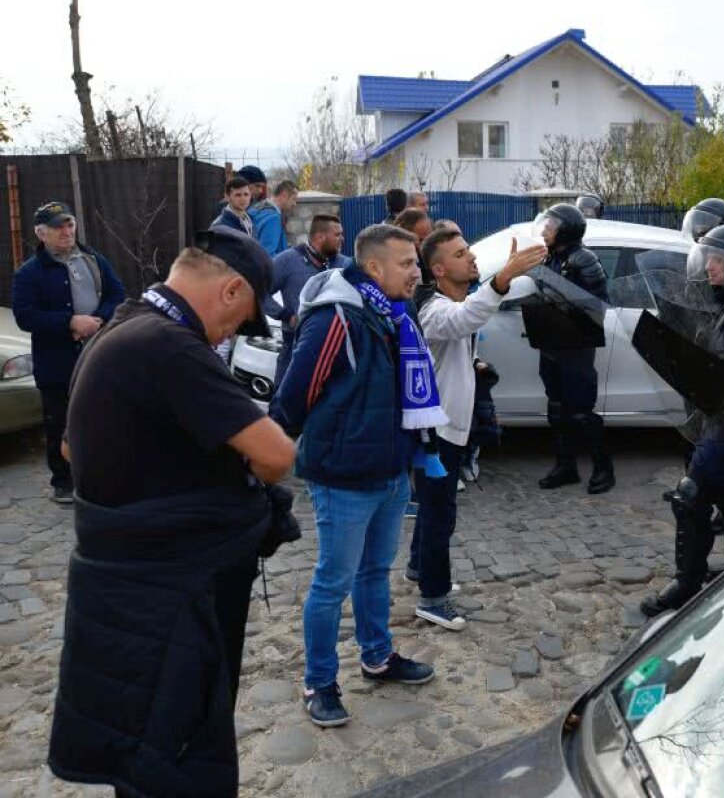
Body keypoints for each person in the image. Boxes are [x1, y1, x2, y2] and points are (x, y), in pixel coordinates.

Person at [47, 227, 297, 798]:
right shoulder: (172, 346)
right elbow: (278, 456)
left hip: (120, 589)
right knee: (177, 744)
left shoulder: (122, 323)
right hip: (170, 593)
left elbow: (68, 447)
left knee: (142, 741)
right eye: (242, 319)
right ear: (232, 290)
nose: (235, 333)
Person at [270, 224, 438, 728]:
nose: (416, 272)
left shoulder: (394, 313)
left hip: (390, 470)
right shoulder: (337, 317)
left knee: (375, 572)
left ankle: (377, 657)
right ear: (373, 268)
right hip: (343, 475)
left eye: (416, 262)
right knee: (333, 581)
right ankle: (319, 682)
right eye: (407, 263)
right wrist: (265, 461)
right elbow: (294, 395)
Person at [410, 228, 546, 629]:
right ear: (437, 269)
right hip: (436, 432)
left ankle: (420, 568)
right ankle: (433, 598)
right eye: (459, 254)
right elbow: (462, 319)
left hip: (448, 426)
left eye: (468, 250)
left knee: (435, 508)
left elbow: (464, 325)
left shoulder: (452, 300)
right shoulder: (432, 308)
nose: (470, 258)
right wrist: (503, 278)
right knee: (439, 513)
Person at [640, 224, 724, 617]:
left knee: (692, 495)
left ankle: (688, 583)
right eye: (710, 259)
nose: (711, 267)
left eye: (718, 260)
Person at [11, 201, 126, 503]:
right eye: (58, 226)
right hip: (56, 362)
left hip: (97, 352)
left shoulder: (93, 260)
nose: (66, 231)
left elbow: (117, 294)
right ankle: (63, 481)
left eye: (69, 224)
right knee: (60, 421)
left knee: (102, 415)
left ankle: (102, 474)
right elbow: (25, 316)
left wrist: (97, 320)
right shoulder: (29, 273)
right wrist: (70, 322)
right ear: (41, 233)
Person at [531, 203, 614, 494]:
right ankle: (566, 467)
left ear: (566, 230)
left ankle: (604, 469)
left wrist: (563, 300)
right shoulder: (549, 257)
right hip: (551, 342)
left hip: (577, 346)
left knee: (581, 412)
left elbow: (600, 305)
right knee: (556, 409)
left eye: (551, 226)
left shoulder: (584, 259)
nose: (545, 230)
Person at [263, 214, 351, 384]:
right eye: (337, 234)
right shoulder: (288, 260)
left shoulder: (345, 265)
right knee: (284, 403)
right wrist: (285, 315)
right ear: (320, 237)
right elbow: (258, 291)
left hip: (334, 348)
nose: (342, 239)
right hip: (296, 346)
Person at [250, 180, 299, 256]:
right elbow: (268, 256)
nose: (294, 204)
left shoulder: (257, 208)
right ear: (284, 196)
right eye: (294, 199)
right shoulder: (273, 219)